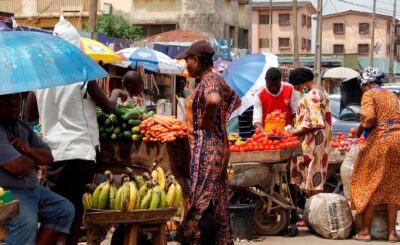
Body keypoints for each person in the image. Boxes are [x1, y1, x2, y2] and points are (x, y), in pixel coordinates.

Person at [25, 21, 129, 244]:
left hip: (54, 155)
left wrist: (51, 109)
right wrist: (117, 92)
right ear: (75, 46)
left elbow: (30, 116)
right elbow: (109, 107)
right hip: (80, 153)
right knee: (72, 216)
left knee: (57, 213)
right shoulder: (82, 74)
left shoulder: (41, 78)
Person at [175, 41, 241, 245]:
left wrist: (206, 119)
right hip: (218, 145)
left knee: (200, 199)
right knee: (218, 197)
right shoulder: (216, 79)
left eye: (188, 61)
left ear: (196, 60)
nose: (186, 66)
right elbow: (235, 101)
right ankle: (222, 240)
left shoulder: (209, 80)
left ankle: (188, 237)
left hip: (207, 147)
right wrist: (219, 120)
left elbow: (213, 100)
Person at [0, 93, 75, 245]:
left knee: (64, 210)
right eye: (5, 99)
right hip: (4, 193)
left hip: (30, 190)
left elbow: (49, 158)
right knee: (26, 221)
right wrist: (34, 161)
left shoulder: (23, 127)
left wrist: (29, 151)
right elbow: (18, 167)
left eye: (14, 98)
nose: (12, 104)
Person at [350, 67, 400, 242]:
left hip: (381, 141)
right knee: (392, 185)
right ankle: (392, 233)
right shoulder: (391, 95)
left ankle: (365, 232)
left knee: (370, 184)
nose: (363, 89)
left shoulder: (369, 95)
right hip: (398, 141)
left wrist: (357, 131)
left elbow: (368, 118)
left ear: (367, 83)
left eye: (363, 86)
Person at [288, 68, 332, 197]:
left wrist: (295, 132)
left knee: (312, 180)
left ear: (303, 83)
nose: (297, 90)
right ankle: (313, 212)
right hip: (320, 143)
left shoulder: (313, 95)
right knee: (315, 178)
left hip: (313, 144)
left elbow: (315, 122)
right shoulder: (321, 91)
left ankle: (313, 213)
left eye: (297, 86)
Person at [253, 67, 298, 132]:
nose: (274, 88)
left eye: (276, 85)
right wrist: (265, 134)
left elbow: (296, 113)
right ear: (266, 81)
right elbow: (256, 121)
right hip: (267, 135)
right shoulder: (259, 94)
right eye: (271, 85)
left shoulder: (290, 89)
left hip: (287, 135)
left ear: (280, 80)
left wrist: (290, 126)